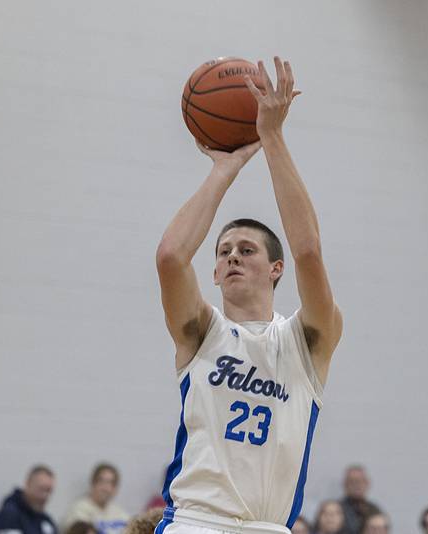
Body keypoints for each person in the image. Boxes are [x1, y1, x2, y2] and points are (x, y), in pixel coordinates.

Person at [154, 56, 342, 534]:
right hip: (196, 520)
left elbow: (310, 252)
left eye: (247, 249)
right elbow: (172, 256)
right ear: (215, 273)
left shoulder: (307, 341)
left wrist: (272, 138)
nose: (233, 256)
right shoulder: (201, 331)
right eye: (224, 251)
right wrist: (227, 167)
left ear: (276, 269)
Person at [0, 464, 58, 534]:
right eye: (41, 489)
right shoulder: (9, 515)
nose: (44, 496)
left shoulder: (46, 521)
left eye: (48, 491)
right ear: (28, 484)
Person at [63, 463, 130, 534]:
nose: (106, 488)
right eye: (102, 481)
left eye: (111, 483)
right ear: (93, 483)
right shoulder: (79, 510)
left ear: (115, 489)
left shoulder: (120, 513)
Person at [341, 466, 382, 534]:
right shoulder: (336, 510)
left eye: (360, 481)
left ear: (367, 483)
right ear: (345, 484)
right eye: (352, 481)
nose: (357, 485)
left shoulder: (374, 510)